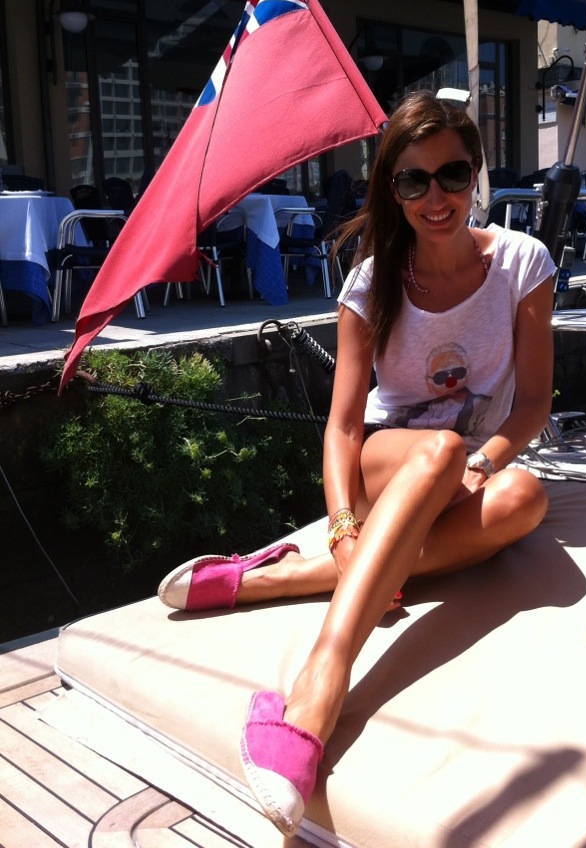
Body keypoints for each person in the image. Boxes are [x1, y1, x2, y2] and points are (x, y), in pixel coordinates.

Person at [158, 90, 557, 837]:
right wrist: (343, 524)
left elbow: (533, 402)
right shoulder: (372, 284)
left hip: (465, 470)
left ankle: (279, 576)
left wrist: (486, 463)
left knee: (524, 499)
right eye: (414, 180)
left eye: (452, 174)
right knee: (439, 449)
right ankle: (322, 682)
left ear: (476, 174)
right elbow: (343, 426)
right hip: (389, 464)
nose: (436, 197)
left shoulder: (520, 263)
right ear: (392, 188)